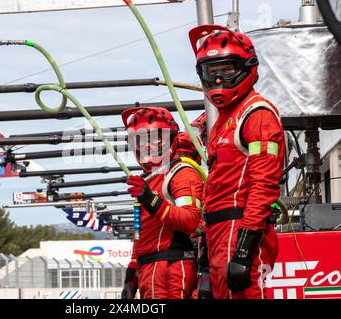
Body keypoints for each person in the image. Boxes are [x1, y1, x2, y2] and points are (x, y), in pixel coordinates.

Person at [188, 25, 285, 299]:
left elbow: (264, 185)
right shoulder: (222, 120)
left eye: (227, 71)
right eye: (211, 72)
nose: (218, 81)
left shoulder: (257, 115)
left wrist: (243, 250)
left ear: (246, 67)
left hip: (239, 229)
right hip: (218, 233)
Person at [120, 107, 204, 299]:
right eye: (140, 140)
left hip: (173, 271)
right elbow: (140, 236)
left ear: (171, 137)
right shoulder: (149, 180)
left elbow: (191, 220)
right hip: (149, 272)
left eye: (154, 138)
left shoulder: (182, 173)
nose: (147, 146)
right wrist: (130, 276)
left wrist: (150, 199)